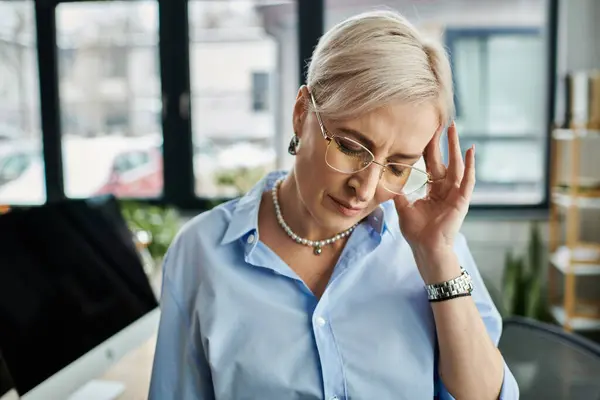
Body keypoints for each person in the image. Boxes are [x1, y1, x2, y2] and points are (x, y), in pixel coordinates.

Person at [149, 9, 519, 400]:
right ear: (301, 114)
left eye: (396, 167)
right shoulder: (201, 253)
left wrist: (437, 256)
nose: (365, 188)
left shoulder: (432, 247)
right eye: (350, 146)